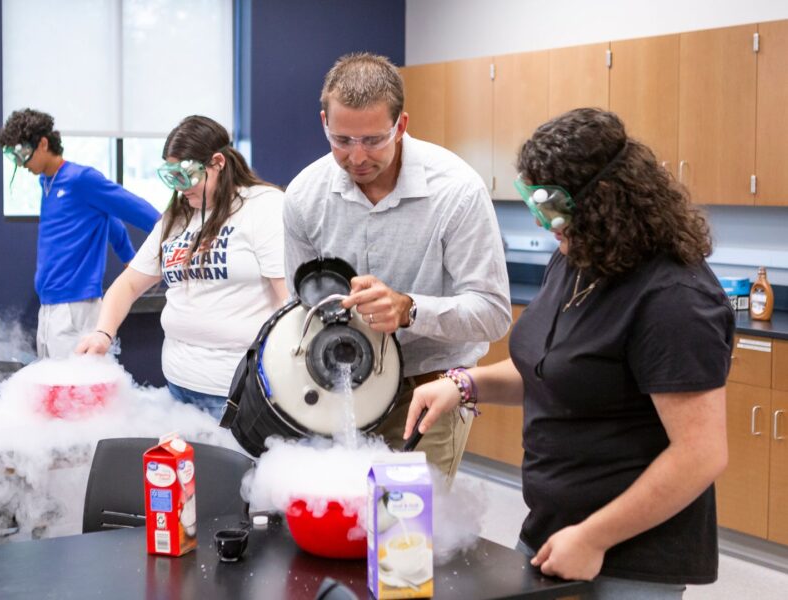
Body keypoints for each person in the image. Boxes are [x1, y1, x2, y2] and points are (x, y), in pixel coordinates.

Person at [405, 108, 733, 596]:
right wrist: (465, 382)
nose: (545, 224)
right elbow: (551, 370)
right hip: (554, 530)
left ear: (606, 200)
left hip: (628, 554)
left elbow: (700, 455)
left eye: (554, 208)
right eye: (535, 204)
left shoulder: (674, 299)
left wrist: (593, 537)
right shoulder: (579, 259)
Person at [283, 53, 511, 478]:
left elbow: (494, 315)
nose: (356, 157)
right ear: (324, 124)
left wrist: (410, 310)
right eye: (342, 140)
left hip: (429, 386)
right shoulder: (303, 196)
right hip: (341, 384)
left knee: (405, 532)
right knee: (340, 521)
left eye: (373, 140)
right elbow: (301, 308)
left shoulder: (456, 191)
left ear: (401, 125)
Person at [75, 115, 288, 417]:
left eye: (185, 176)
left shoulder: (263, 205)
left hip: (236, 392)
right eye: (171, 177)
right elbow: (128, 284)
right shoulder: (176, 218)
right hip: (178, 386)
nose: (179, 188)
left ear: (217, 163)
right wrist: (103, 333)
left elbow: (287, 299)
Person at [0, 109, 160, 358]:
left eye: (23, 154)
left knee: (76, 390)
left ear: (42, 143)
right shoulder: (46, 182)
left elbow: (135, 208)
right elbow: (107, 218)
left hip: (76, 308)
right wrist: (127, 254)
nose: (21, 163)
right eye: (15, 157)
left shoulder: (80, 179)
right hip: (49, 306)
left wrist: (173, 235)